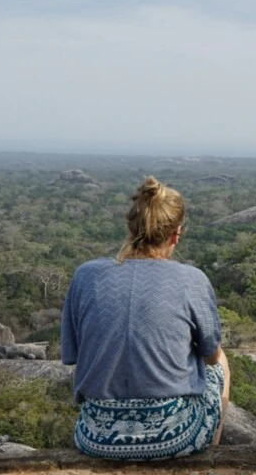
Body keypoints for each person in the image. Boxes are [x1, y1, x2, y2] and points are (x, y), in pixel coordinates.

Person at [60, 176, 229, 460]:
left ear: (130, 227)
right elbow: (211, 357)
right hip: (173, 436)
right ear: (176, 233)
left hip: (97, 436)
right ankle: (209, 455)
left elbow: (74, 355)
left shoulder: (86, 276)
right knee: (221, 363)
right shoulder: (192, 279)